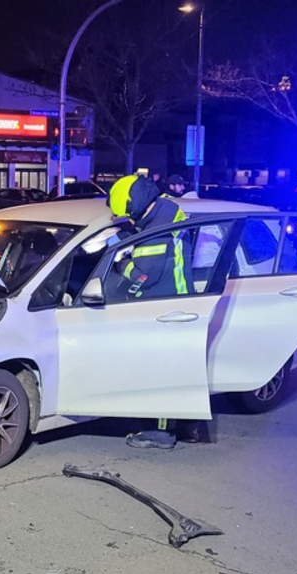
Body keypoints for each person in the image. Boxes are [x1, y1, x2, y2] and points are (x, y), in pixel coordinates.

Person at [106, 174, 202, 450]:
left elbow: (142, 278)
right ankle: (186, 425)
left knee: (160, 372)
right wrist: (128, 235)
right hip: (183, 301)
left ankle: (158, 432)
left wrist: (120, 263)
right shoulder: (167, 210)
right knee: (178, 370)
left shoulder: (156, 234)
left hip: (165, 306)